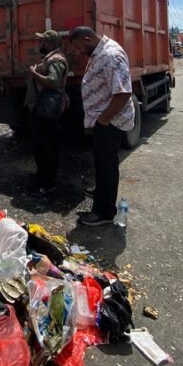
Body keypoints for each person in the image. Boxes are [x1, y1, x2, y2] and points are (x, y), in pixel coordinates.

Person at [69, 26, 134, 227]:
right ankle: (101, 198)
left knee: (107, 167)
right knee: (102, 164)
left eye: (79, 47)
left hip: (111, 121)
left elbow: (123, 93)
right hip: (104, 120)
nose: (78, 52)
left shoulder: (110, 55)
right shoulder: (99, 52)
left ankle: (104, 212)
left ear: (87, 39)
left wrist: (104, 119)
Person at [26, 30, 69, 196]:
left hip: (48, 108)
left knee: (47, 145)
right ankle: (42, 175)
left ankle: (48, 182)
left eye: (42, 41)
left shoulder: (56, 60)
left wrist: (33, 73)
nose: (39, 44)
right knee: (41, 143)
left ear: (50, 43)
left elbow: (53, 81)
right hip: (42, 106)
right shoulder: (50, 58)